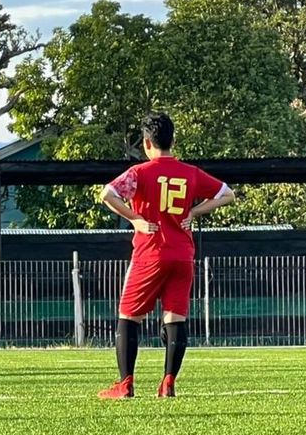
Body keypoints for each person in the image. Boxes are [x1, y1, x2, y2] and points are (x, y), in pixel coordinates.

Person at [97, 112, 235, 399]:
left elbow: (107, 194)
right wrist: (194, 211)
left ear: (147, 143)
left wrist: (135, 219)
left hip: (151, 252)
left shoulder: (139, 172)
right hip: (182, 255)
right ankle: (168, 382)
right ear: (173, 141)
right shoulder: (191, 172)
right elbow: (227, 194)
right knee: (175, 317)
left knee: (128, 316)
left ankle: (125, 384)